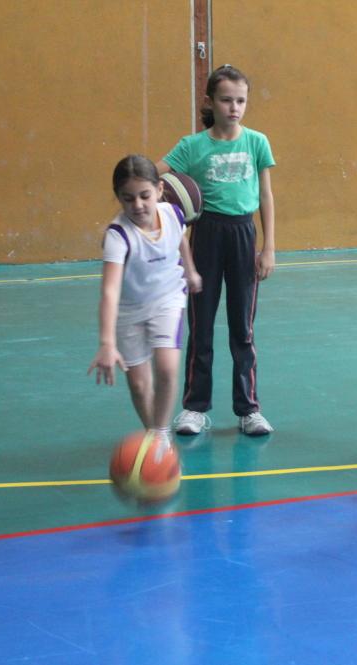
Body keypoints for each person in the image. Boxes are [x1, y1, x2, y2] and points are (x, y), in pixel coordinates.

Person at [157, 64, 277, 437]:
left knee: (243, 328)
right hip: (206, 235)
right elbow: (155, 175)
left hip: (244, 235)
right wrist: (149, 197)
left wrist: (268, 246)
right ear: (210, 101)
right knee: (202, 325)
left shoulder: (257, 142)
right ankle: (195, 408)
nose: (234, 107)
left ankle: (249, 409)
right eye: (226, 100)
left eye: (241, 100)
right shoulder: (192, 146)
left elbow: (267, 197)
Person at [88, 155, 202, 450]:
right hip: (129, 310)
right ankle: (152, 429)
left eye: (144, 196)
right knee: (139, 385)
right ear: (119, 199)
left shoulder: (174, 214)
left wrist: (189, 270)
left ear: (159, 190)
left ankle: (161, 432)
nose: (137, 205)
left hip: (167, 298)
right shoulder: (118, 236)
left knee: (166, 367)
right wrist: (106, 343)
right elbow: (110, 291)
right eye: (128, 199)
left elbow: (180, 239)